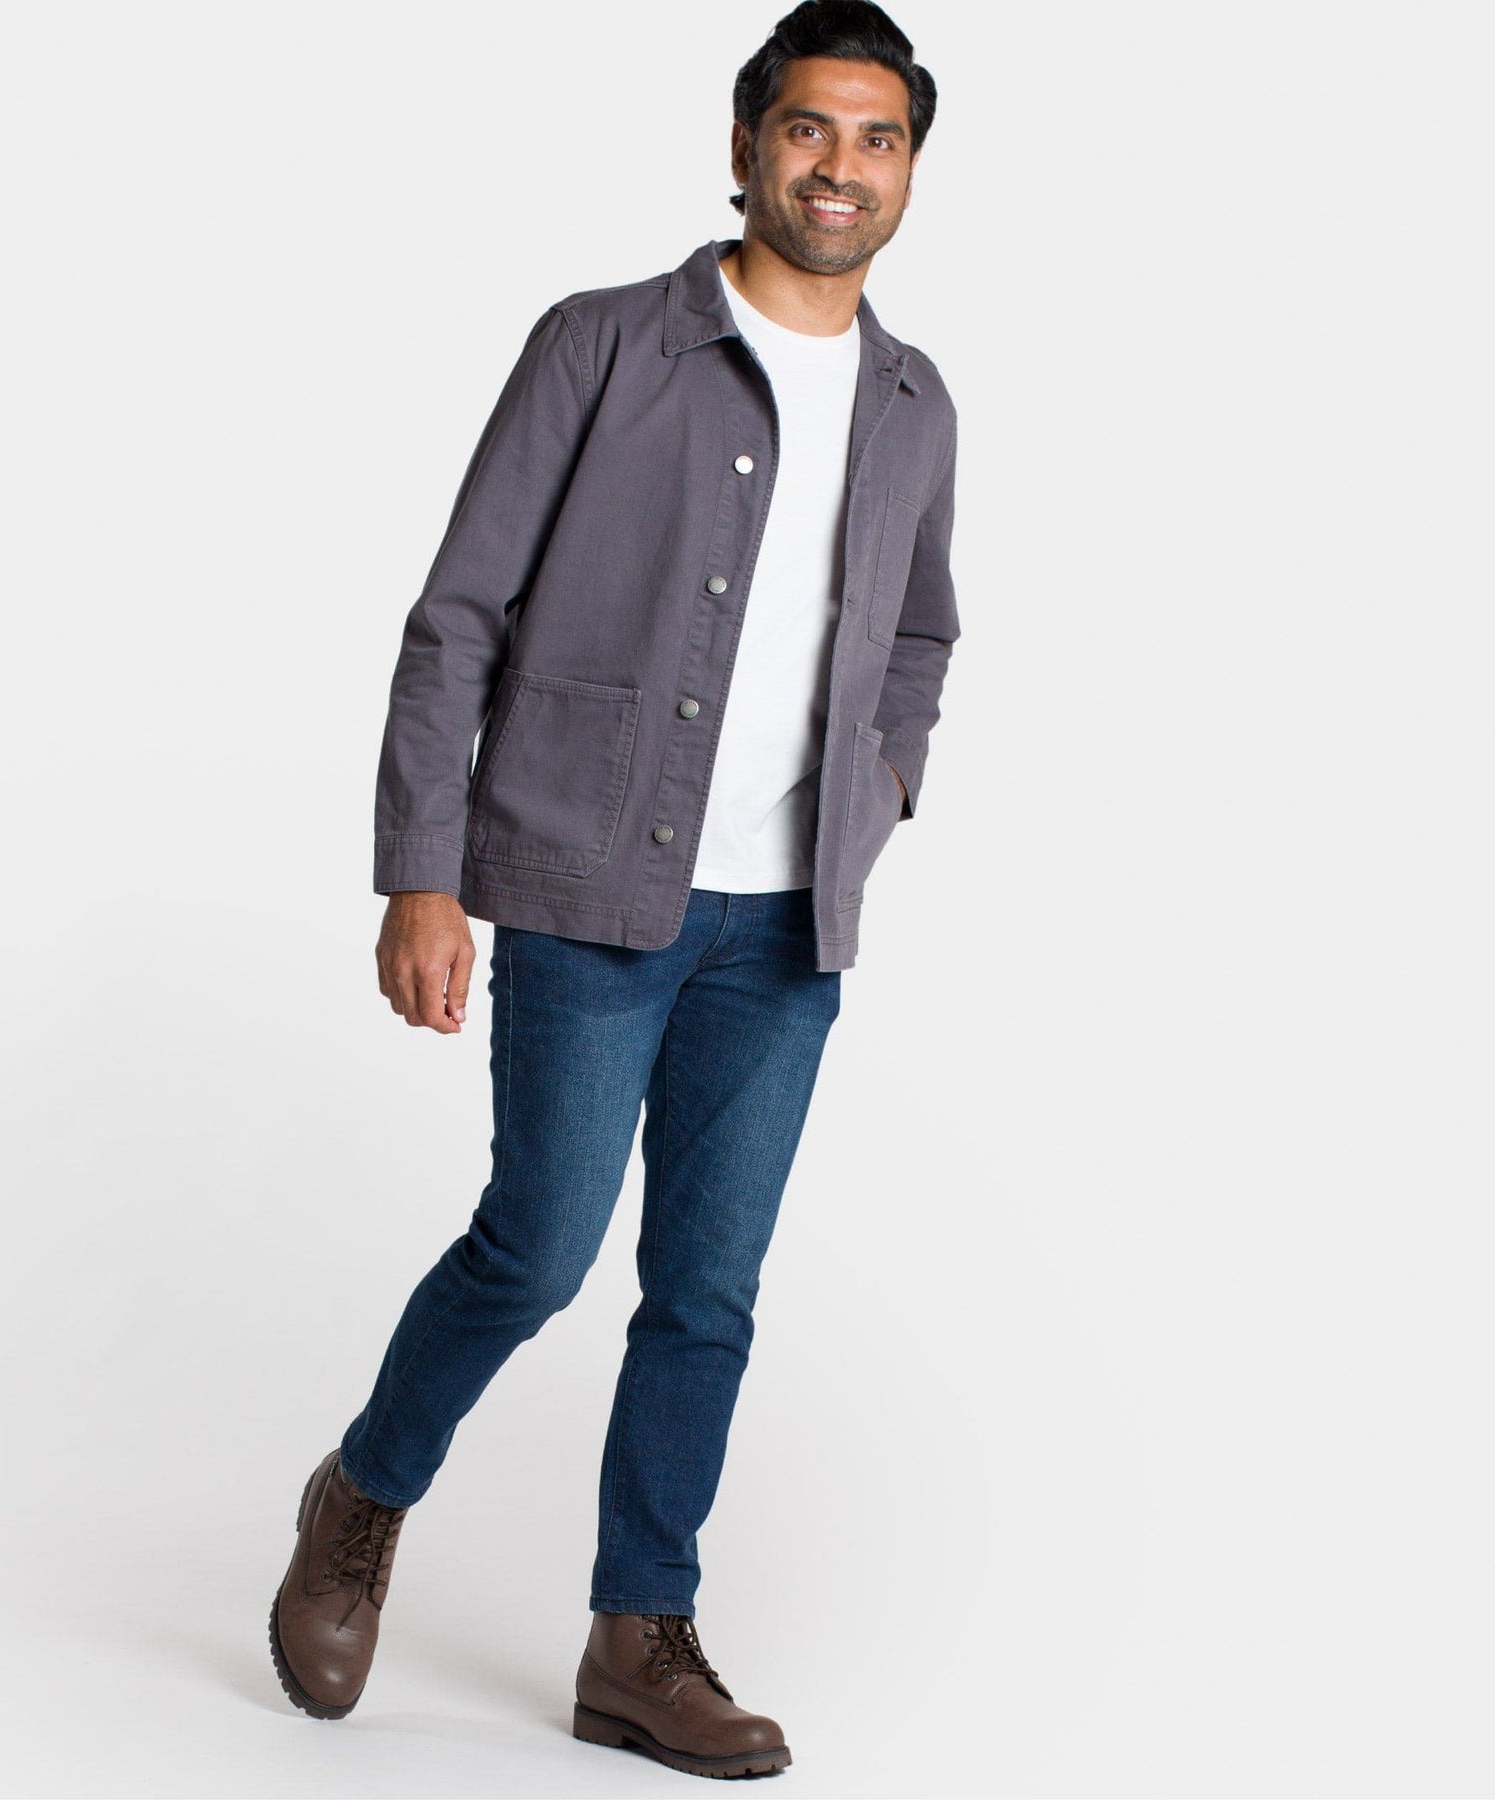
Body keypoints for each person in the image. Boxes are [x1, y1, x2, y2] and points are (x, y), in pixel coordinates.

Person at [269, 0, 959, 1778]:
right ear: (745, 148)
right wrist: (423, 873)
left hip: (786, 928)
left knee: (708, 1293)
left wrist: (882, 789)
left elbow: (921, 638)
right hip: (586, 887)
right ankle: (362, 1496)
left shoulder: (913, 402)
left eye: (877, 138)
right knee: (541, 1247)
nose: (840, 167)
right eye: (809, 129)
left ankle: (639, 1636)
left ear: (908, 171)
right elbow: (457, 619)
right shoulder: (603, 344)